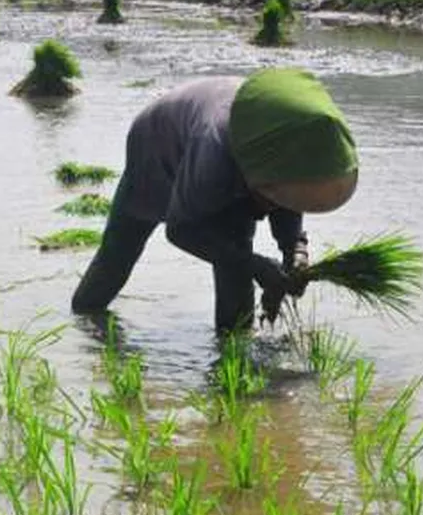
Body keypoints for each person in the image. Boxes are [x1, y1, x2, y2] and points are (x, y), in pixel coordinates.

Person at [70, 68, 359, 334]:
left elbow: (292, 197)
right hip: (158, 143)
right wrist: (257, 266)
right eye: (270, 199)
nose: (274, 207)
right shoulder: (214, 156)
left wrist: (294, 251)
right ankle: (85, 320)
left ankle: (234, 348)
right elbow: (180, 230)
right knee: (121, 248)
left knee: (235, 257)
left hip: (241, 153)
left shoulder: (289, 150)